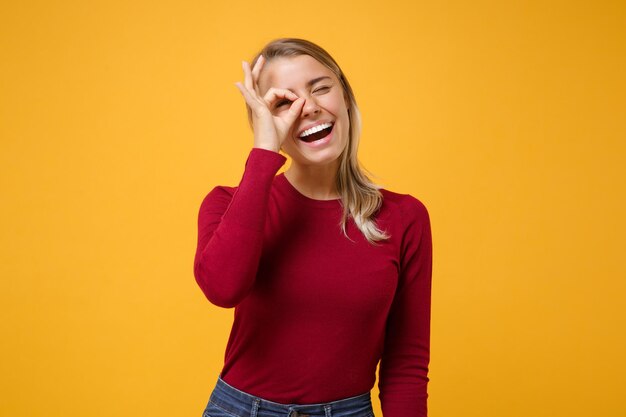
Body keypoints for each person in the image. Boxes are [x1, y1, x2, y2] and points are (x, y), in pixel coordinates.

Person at [194, 37, 433, 417]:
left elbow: (406, 363)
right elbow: (223, 289)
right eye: (285, 102)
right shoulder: (226, 204)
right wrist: (263, 153)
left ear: (345, 96)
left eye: (321, 88)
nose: (309, 108)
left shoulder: (404, 218)